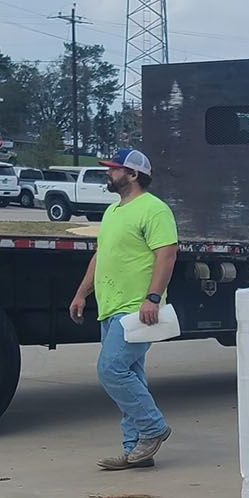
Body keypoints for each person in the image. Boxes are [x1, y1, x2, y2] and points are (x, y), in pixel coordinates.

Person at [69, 147, 178, 470]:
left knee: (110, 369)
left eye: (115, 169)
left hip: (135, 307)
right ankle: (135, 451)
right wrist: (81, 294)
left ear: (133, 175)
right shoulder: (113, 212)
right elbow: (100, 256)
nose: (108, 173)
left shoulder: (154, 210)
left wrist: (153, 297)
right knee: (131, 374)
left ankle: (153, 428)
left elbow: (167, 254)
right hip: (110, 306)